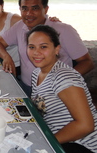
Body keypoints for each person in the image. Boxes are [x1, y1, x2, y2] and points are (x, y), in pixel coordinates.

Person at [0, 0, 94, 97]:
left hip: (54, 91)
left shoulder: (64, 30)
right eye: (24, 9)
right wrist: (7, 57)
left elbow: (87, 62)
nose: (29, 14)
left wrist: (61, 82)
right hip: (26, 87)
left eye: (35, 8)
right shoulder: (21, 26)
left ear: (46, 9)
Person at [27, 25, 97, 153]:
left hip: (82, 144)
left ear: (56, 49)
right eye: (32, 47)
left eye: (43, 47)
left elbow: (86, 126)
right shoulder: (37, 73)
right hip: (59, 135)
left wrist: (46, 141)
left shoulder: (64, 78)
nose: (36, 52)